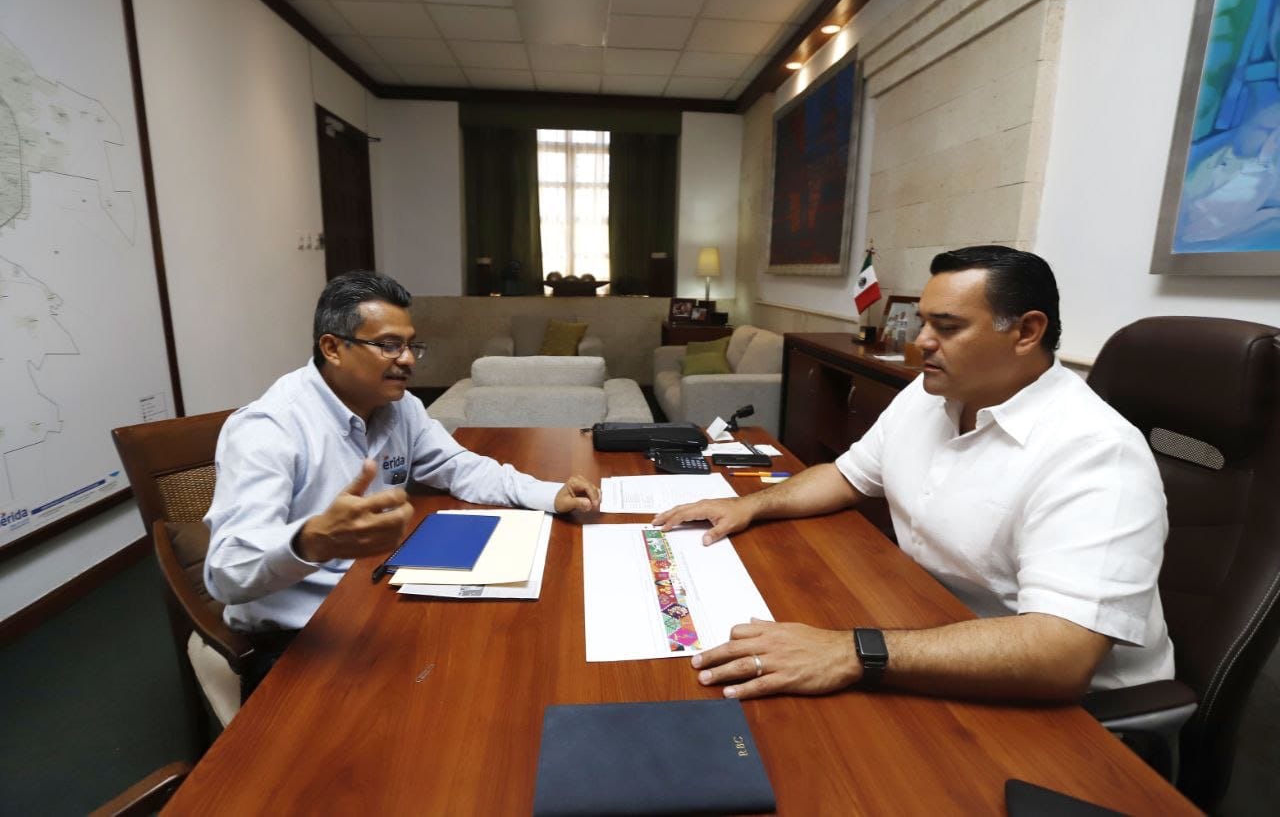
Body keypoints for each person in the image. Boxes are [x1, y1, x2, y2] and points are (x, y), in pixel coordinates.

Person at [654, 246, 1174, 703]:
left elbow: (1062, 656)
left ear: (1026, 332)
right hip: (924, 631)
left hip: (1057, 704)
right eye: (924, 322)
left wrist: (850, 652)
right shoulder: (930, 394)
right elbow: (846, 476)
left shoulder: (1096, 451)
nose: (921, 340)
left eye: (947, 327)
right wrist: (749, 505)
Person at [204, 270, 600, 696]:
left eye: (411, 345)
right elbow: (227, 574)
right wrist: (312, 541)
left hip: (377, 596)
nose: (408, 360)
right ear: (333, 348)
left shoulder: (400, 406)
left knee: (509, 662)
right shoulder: (268, 428)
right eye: (389, 345)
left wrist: (547, 493)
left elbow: (458, 466)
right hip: (300, 638)